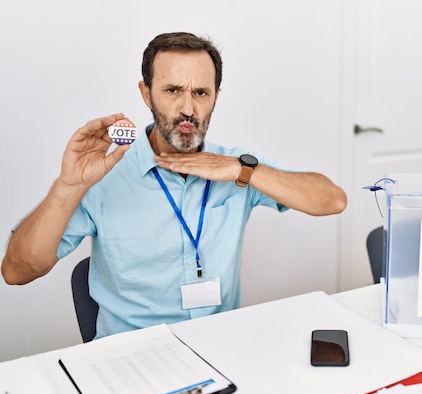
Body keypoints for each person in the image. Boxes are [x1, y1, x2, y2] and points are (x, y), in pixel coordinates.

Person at [1, 32, 347, 338]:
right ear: (146, 94)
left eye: (200, 92)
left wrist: (242, 170)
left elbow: (332, 200)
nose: (188, 108)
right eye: (172, 90)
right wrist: (67, 186)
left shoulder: (237, 167)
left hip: (219, 349)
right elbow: (17, 271)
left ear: (216, 96)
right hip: (131, 357)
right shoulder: (103, 174)